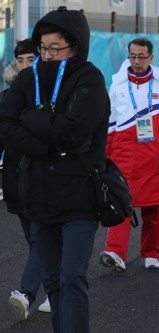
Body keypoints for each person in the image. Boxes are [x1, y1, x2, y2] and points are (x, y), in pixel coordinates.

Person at [0, 6, 109, 332]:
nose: (46, 55)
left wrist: (30, 119)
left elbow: (75, 131)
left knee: (72, 277)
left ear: (75, 46)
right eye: (42, 49)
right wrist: (45, 145)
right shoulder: (30, 77)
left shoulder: (90, 78)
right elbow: (4, 122)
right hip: (38, 194)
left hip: (79, 197)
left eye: (54, 49)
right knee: (53, 281)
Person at [99, 37, 159, 271]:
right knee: (119, 204)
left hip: (155, 155)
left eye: (142, 56)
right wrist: (105, 155)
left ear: (151, 58)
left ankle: (151, 252)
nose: (136, 61)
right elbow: (110, 124)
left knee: (154, 209)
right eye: (132, 56)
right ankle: (115, 252)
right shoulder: (117, 85)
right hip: (123, 154)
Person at [0, 38, 51, 319]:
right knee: (36, 241)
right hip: (15, 181)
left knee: (43, 238)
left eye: (30, 59)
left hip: (47, 179)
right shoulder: (6, 98)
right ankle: (56, 290)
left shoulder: (52, 94)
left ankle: (27, 292)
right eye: (20, 60)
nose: (24, 66)